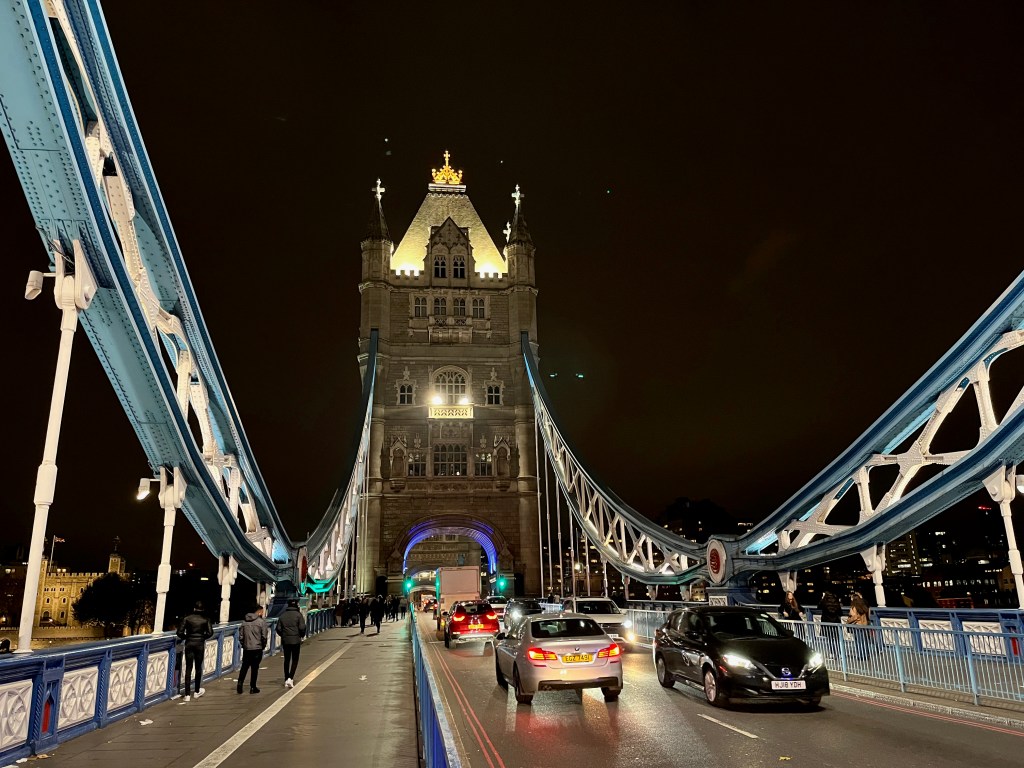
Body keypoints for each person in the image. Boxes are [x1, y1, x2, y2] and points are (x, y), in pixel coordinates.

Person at [177, 601, 213, 702]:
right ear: (203, 609)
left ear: (194, 608)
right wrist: (202, 637)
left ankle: (187, 695)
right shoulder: (206, 619)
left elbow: (179, 632)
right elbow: (210, 633)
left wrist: (187, 637)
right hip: (200, 644)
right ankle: (197, 691)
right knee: (198, 668)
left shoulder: (187, 618)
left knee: (188, 668)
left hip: (189, 643)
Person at [237, 604, 268, 694]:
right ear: (258, 611)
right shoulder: (261, 622)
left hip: (247, 648)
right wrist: (263, 646)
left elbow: (241, 637)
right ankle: (253, 687)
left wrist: (244, 645)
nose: (262, 613)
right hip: (257, 648)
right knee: (255, 668)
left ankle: (240, 683)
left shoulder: (244, 622)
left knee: (244, 667)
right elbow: (264, 636)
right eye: (262, 611)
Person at [276, 598, 307, 688]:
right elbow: (302, 628)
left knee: (286, 659)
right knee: (295, 659)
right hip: (296, 640)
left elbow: (278, 629)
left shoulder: (282, 616)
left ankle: (286, 679)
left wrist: (283, 635)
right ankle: (291, 678)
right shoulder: (298, 615)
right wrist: (301, 635)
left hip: (286, 640)